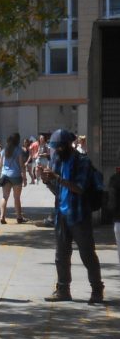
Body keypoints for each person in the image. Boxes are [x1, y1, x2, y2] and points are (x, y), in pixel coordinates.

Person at [41, 129, 104, 304]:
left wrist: (57, 178)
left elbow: (79, 188)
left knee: (87, 254)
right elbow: (58, 190)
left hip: (79, 215)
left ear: (68, 145)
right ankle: (63, 289)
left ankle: (97, 290)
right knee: (61, 255)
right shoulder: (57, 161)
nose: (56, 151)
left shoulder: (82, 162)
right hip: (61, 214)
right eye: (55, 148)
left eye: (59, 148)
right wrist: (47, 181)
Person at [0, 132, 27, 224]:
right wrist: (25, 177)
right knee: (17, 197)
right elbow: (22, 165)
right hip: (16, 176)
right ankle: (19, 217)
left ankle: (2, 216)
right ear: (18, 141)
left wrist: (0, 175)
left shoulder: (4, 150)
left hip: (5, 175)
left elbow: (0, 164)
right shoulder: (19, 150)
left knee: (4, 197)